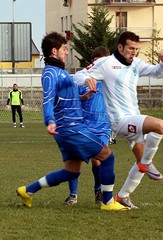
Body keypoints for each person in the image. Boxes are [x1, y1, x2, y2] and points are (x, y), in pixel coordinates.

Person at [16, 32, 129, 211]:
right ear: (54, 51)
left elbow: (69, 98)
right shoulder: (50, 74)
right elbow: (48, 99)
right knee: (108, 156)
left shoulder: (61, 72)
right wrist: (49, 120)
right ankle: (107, 202)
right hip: (71, 127)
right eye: (64, 48)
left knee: (72, 171)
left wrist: (84, 96)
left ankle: (27, 191)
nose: (67, 52)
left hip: (69, 129)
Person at [73, 31, 163, 209]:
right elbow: (78, 76)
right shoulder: (106, 63)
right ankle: (147, 163)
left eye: (136, 49)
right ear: (120, 47)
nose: (134, 52)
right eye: (130, 48)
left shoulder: (136, 64)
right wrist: (88, 79)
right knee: (160, 125)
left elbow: (158, 73)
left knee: (140, 160)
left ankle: (123, 196)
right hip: (120, 121)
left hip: (134, 118)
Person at [64, 46, 111, 205]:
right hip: (83, 124)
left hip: (102, 126)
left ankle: (98, 190)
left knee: (98, 161)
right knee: (74, 159)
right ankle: (73, 195)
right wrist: (84, 96)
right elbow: (72, 98)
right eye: (97, 62)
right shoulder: (82, 79)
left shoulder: (110, 81)